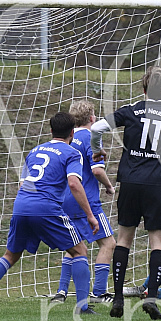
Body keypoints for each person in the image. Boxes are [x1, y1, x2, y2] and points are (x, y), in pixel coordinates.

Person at [91, 66, 161, 320]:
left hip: (130, 182)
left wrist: (96, 151)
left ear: (143, 89)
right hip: (157, 184)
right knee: (158, 243)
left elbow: (96, 128)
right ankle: (151, 298)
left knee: (123, 239)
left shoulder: (130, 111)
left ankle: (118, 298)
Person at [0, 112, 100, 315]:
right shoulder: (72, 153)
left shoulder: (35, 151)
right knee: (79, 251)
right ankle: (82, 307)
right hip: (45, 207)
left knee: (10, 255)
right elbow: (73, 183)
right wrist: (90, 214)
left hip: (21, 205)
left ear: (51, 130)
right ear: (72, 132)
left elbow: (22, 183)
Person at [50, 101, 116, 305]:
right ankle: (99, 292)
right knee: (108, 243)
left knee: (73, 246)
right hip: (85, 200)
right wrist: (109, 185)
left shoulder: (67, 139)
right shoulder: (90, 136)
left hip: (65, 200)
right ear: (91, 118)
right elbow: (97, 170)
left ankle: (61, 291)